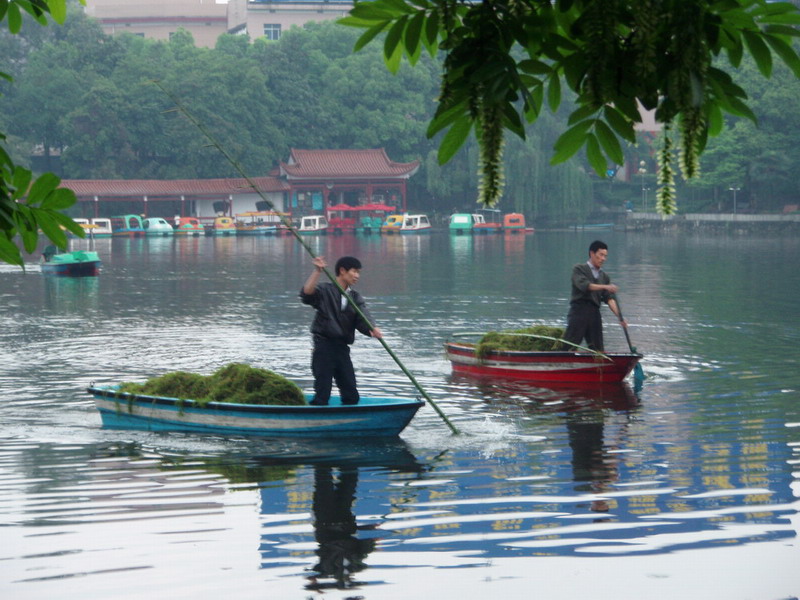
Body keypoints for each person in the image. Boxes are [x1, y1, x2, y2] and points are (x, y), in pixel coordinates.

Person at [300, 255, 383, 406]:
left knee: (351, 394)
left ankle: (350, 419)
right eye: (354, 271)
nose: (357, 276)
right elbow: (307, 294)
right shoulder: (325, 290)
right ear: (342, 271)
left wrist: (372, 329)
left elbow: (363, 316)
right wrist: (317, 271)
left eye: (359, 272)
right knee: (322, 393)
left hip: (342, 348)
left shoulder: (355, 297)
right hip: (323, 346)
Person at [563, 240, 626, 352]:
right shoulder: (579, 269)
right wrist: (605, 287)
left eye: (605, 256)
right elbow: (586, 286)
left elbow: (609, 299)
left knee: (598, 350)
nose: (603, 259)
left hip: (594, 313)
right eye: (600, 255)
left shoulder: (604, 277)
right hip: (579, 311)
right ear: (592, 253)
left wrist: (620, 317)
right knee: (569, 346)